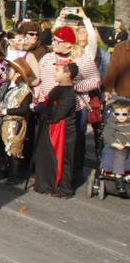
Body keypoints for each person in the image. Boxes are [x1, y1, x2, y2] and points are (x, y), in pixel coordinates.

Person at [35, 25, 100, 186]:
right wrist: (38, 94)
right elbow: (39, 79)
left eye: (58, 41)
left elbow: (95, 80)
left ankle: (72, 175)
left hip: (75, 107)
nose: (54, 43)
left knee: (74, 143)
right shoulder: (48, 58)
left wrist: (74, 87)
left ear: (69, 44)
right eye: (54, 40)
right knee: (49, 141)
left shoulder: (83, 59)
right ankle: (49, 173)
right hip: (50, 106)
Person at [33, 61, 78, 197]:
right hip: (50, 127)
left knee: (63, 159)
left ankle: (63, 189)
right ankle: (46, 184)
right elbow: (48, 104)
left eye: (58, 70)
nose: (54, 73)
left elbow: (57, 113)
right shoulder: (57, 88)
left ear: (68, 74)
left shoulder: (69, 92)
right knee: (46, 156)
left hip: (62, 131)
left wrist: (42, 110)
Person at [0, 58, 34, 185]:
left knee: (13, 150)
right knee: (0, 147)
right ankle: (0, 171)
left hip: (15, 124)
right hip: (2, 122)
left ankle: (14, 176)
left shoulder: (25, 91)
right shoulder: (5, 85)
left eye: (10, 69)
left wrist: (6, 111)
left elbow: (24, 110)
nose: (6, 70)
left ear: (18, 74)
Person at [101, 97, 130, 197]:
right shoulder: (112, 124)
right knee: (120, 155)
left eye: (124, 114)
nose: (121, 117)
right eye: (117, 114)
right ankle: (119, 178)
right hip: (117, 146)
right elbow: (107, 135)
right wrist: (115, 144)